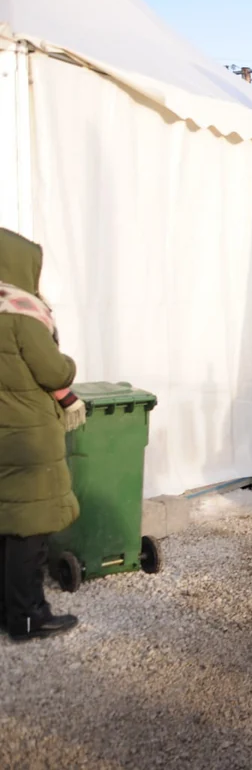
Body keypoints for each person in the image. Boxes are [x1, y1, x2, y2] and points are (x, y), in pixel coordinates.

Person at [0, 228, 83, 642]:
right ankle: (29, 616)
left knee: (5, 521)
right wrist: (67, 363)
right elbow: (52, 371)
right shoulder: (20, 313)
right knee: (29, 527)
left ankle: (7, 610)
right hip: (27, 437)